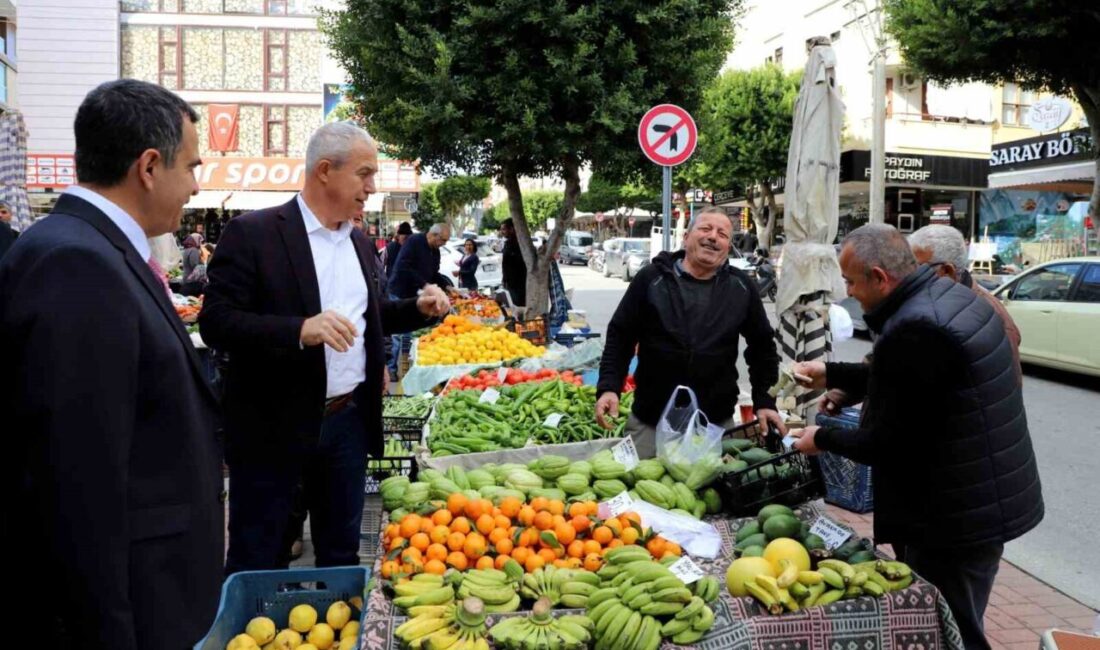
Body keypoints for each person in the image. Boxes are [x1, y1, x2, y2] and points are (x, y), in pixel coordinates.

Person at [0, 79, 221, 649]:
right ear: (149, 166)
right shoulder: (76, 261)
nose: (196, 186)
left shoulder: (98, 248)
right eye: (191, 167)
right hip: (135, 606)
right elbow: (78, 485)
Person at [199, 121, 450, 574]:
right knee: (260, 556)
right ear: (324, 171)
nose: (372, 187)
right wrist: (299, 330)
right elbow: (217, 322)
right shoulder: (253, 233)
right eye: (364, 174)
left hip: (346, 425)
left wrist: (419, 309)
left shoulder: (357, 241)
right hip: (273, 427)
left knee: (340, 554)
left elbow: (371, 316)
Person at [788, 224, 1043, 650]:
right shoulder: (952, 297)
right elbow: (913, 378)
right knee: (958, 616)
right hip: (980, 499)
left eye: (851, 282)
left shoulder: (916, 327)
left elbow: (887, 442)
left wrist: (822, 439)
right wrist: (831, 373)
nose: (849, 293)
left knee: (951, 627)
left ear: (880, 277)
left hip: (954, 515)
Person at [594, 207, 786, 456]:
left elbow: (762, 349)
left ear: (728, 247)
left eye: (722, 234)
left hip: (714, 425)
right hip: (650, 421)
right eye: (705, 229)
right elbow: (621, 336)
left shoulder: (741, 287)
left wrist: (765, 401)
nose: (713, 237)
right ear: (686, 237)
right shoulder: (651, 279)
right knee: (642, 488)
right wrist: (609, 387)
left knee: (710, 492)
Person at [908, 224, 1022, 379]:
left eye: (917, 268)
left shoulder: (989, 315)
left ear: (947, 271)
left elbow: (1003, 387)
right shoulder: (937, 302)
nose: (910, 276)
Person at [390, 222, 453, 299]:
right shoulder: (414, 241)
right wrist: (425, 285)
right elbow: (404, 267)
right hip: (400, 292)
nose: (444, 244)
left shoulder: (436, 251)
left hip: (416, 294)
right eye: (443, 240)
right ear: (434, 235)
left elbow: (434, 274)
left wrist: (447, 286)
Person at [499, 218, 527, 306]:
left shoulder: (519, 244)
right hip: (510, 283)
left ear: (511, 229)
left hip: (518, 285)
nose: (502, 232)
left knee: (517, 307)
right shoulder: (508, 243)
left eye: (504, 229)